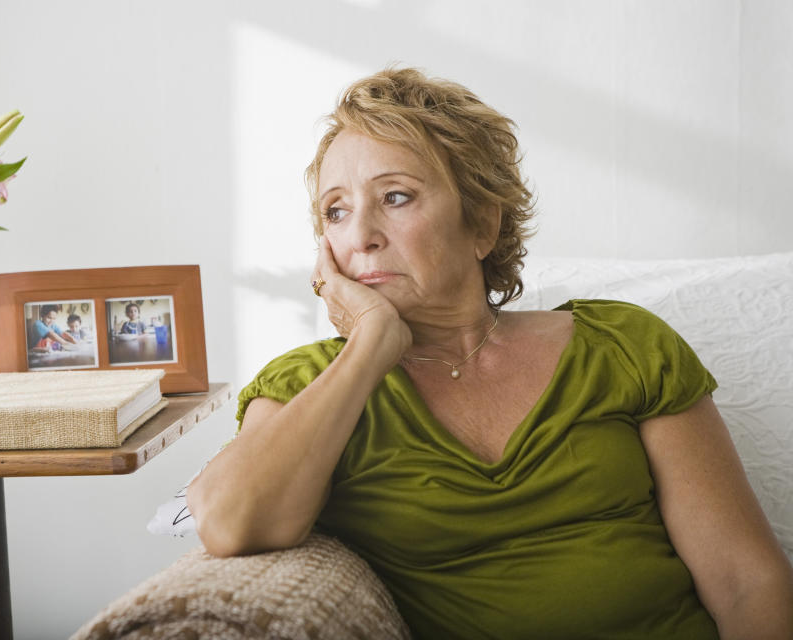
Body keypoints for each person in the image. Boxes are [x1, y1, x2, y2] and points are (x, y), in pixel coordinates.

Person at [187, 68, 793, 639]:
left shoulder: (624, 346)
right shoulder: (313, 385)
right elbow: (230, 523)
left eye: (394, 196)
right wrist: (370, 345)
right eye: (336, 211)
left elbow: (746, 582)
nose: (361, 233)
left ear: (482, 224)